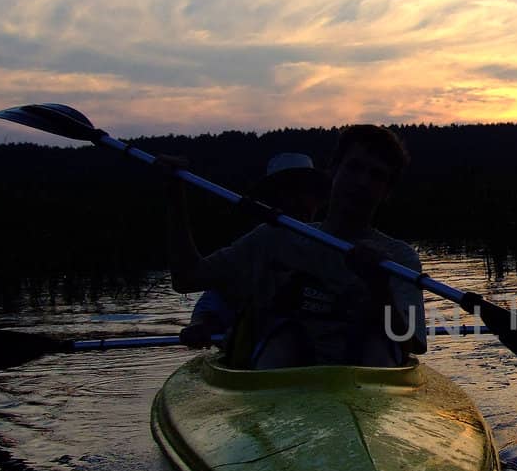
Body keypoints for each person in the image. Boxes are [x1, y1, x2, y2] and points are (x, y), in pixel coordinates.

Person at [169, 126, 427, 369]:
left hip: (364, 388)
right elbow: (187, 278)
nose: (362, 182)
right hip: (286, 385)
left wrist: (379, 287)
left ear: (387, 191)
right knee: (285, 337)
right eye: (354, 168)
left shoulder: (399, 258)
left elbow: (412, 341)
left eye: (376, 175)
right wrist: (173, 191)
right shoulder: (274, 238)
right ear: (334, 170)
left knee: (377, 344)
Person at [178, 151, 329, 348]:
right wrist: (202, 325)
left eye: (305, 191)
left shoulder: (336, 242)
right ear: (272, 199)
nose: (298, 200)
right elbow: (209, 298)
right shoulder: (256, 244)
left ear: (317, 199)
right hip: (264, 363)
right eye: (288, 190)